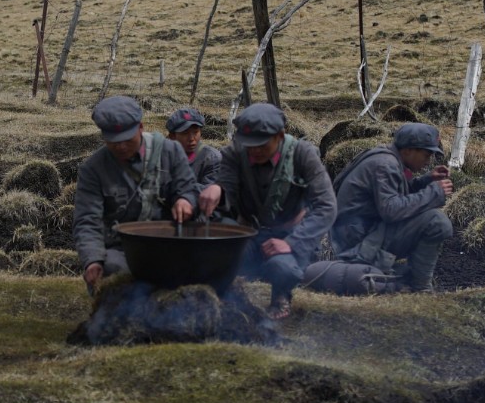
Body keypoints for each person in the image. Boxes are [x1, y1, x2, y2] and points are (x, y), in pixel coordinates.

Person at [216, 103, 335, 319]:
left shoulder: (303, 155)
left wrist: (292, 243)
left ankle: (281, 299)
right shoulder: (234, 155)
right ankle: (231, 298)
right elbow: (226, 195)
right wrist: (216, 192)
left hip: (290, 235)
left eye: (262, 144)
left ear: (281, 135)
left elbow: (326, 206)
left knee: (282, 268)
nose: (255, 150)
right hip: (249, 233)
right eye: (250, 145)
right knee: (221, 257)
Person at [308, 122, 453, 295]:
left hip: (363, 234)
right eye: (426, 154)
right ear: (408, 150)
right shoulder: (386, 165)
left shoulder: (387, 158)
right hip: (357, 245)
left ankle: (406, 278)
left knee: (432, 219)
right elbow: (392, 210)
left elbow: (395, 195)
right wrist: (434, 192)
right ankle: (419, 287)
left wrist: (426, 180)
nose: (429, 160)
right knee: (436, 222)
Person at [74, 96, 199, 293]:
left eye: (127, 140)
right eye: (114, 141)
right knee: (113, 270)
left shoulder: (170, 151)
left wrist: (185, 200)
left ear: (141, 127)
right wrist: (92, 260)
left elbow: (189, 188)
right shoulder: (93, 169)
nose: (121, 147)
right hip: (122, 249)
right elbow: (87, 219)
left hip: (169, 243)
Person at [165, 107, 223, 218]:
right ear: (172, 136)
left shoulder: (211, 158)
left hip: (200, 214)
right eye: (185, 133)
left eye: (195, 132)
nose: (192, 138)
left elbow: (208, 191)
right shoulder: (163, 155)